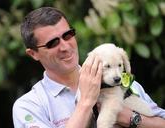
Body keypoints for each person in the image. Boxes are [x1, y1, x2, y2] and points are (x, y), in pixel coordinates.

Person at [12, 6, 165, 128]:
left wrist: (132, 119)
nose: (65, 46)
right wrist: (86, 101)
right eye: (53, 43)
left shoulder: (119, 81)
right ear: (33, 54)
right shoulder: (29, 106)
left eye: (68, 35)